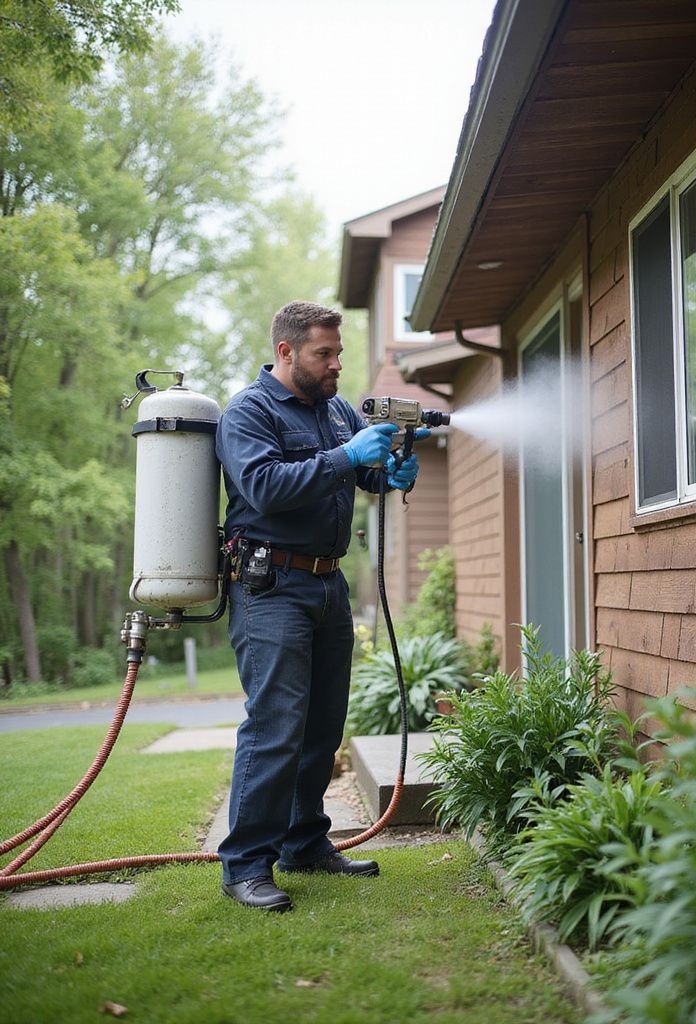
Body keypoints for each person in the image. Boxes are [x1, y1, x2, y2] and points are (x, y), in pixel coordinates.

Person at [215, 300, 425, 912]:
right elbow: (263, 487)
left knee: (323, 724)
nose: (337, 364)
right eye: (323, 354)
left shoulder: (333, 409)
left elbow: (361, 477)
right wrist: (346, 457)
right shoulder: (247, 413)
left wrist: (392, 475)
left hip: (328, 585)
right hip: (271, 588)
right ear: (286, 352)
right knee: (276, 725)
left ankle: (304, 843)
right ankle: (246, 865)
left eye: (338, 352)